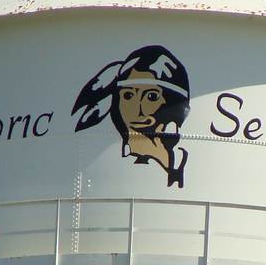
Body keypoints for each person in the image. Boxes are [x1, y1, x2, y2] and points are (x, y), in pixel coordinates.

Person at [72, 45, 190, 187]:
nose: (137, 108)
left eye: (152, 96)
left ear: (173, 103)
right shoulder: (108, 166)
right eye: (128, 95)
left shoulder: (189, 161)